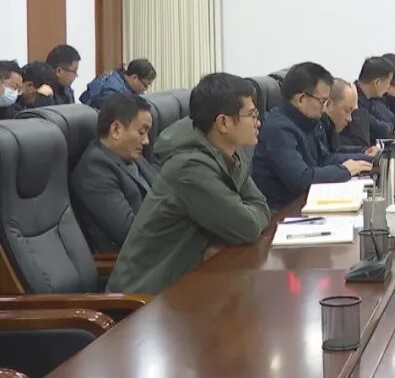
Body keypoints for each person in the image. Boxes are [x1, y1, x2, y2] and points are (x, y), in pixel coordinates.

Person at [107, 73, 271, 294]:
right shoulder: (189, 168)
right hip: (146, 297)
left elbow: (260, 205)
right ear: (223, 123)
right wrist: (238, 226)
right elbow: (248, 226)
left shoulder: (227, 154)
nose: (258, 122)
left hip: (186, 284)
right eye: (251, 115)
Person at [252, 62, 372, 209]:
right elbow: (301, 179)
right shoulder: (279, 129)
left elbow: (325, 159)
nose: (324, 108)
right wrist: (345, 170)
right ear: (301, 99)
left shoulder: (308, 121)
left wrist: (368, 160)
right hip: (284, 211)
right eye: (322, 101)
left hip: (307, 201)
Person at [69, 94, 159, 253]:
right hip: (132, 261)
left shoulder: (131, 155)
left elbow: (163, 190)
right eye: (141, 132)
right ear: (116, 130)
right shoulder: (95, 170)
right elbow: (131, 234)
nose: (146, 141)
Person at [340, 57, 395, 148]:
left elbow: (389, 123)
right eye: (388, 82)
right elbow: (381, 130)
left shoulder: (369, 98)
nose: (389, 86)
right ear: (377, 82)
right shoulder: (354, 99)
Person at [323, 78, 378, 157]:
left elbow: (336, 149)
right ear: (328, 104)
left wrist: (364, 151)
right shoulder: (315, 128)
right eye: (347, 110)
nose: (350, 119)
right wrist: (365, 157)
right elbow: (327, 159)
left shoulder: (329, 126)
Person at [80, 59, 157, 109]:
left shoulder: (121, 79)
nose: (145, 89)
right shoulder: (112, 91)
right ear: (134, 77)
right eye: (145, 85)